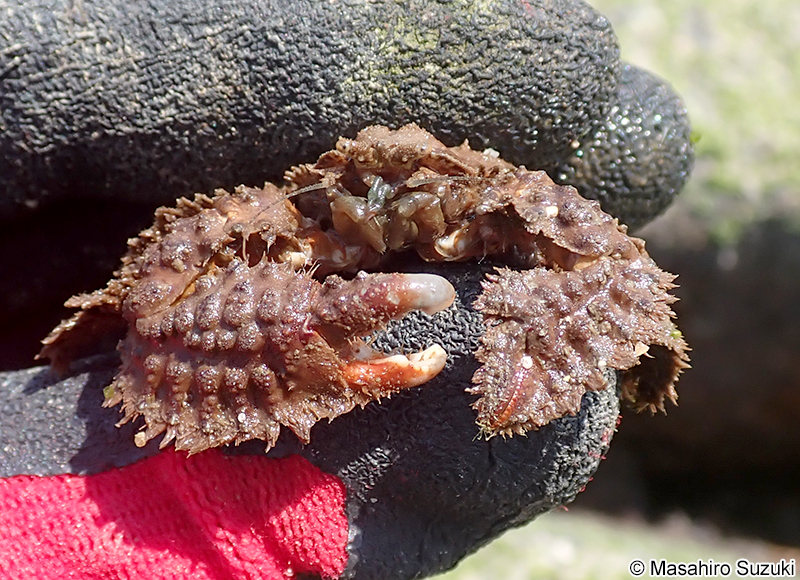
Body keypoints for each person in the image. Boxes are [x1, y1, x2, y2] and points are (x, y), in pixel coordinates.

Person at [0, 0, 693, 578]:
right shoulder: (267, 214)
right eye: (354, 197)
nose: (387, 211)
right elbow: (144, 305)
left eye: (423, 193)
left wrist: (629, 355)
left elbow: (618, 269)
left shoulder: (520, 199)